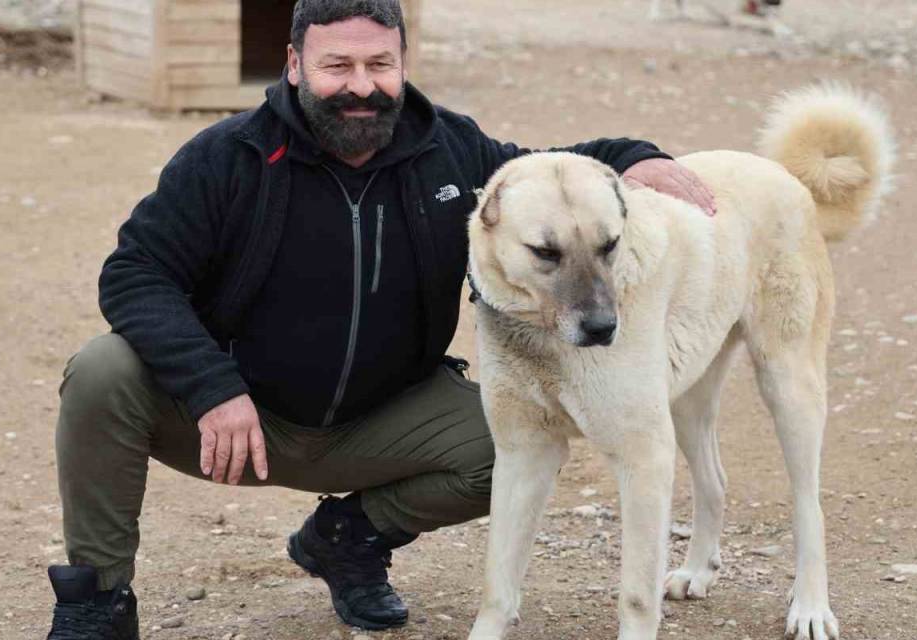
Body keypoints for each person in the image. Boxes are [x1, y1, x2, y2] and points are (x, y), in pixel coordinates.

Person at [44, 1, 716, 637]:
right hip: (241, 421)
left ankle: (349, 539)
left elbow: (547, 173)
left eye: (379, 66)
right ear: (294, 63)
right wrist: (211, 387)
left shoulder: (450, 150)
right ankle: (99, 602)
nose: (361, 87)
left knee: (509, 448)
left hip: (387, 418)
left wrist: (632, 155)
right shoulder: (228, 157)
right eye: (337, 66)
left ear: (402, 61)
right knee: (102, 373)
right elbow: (135, 272)